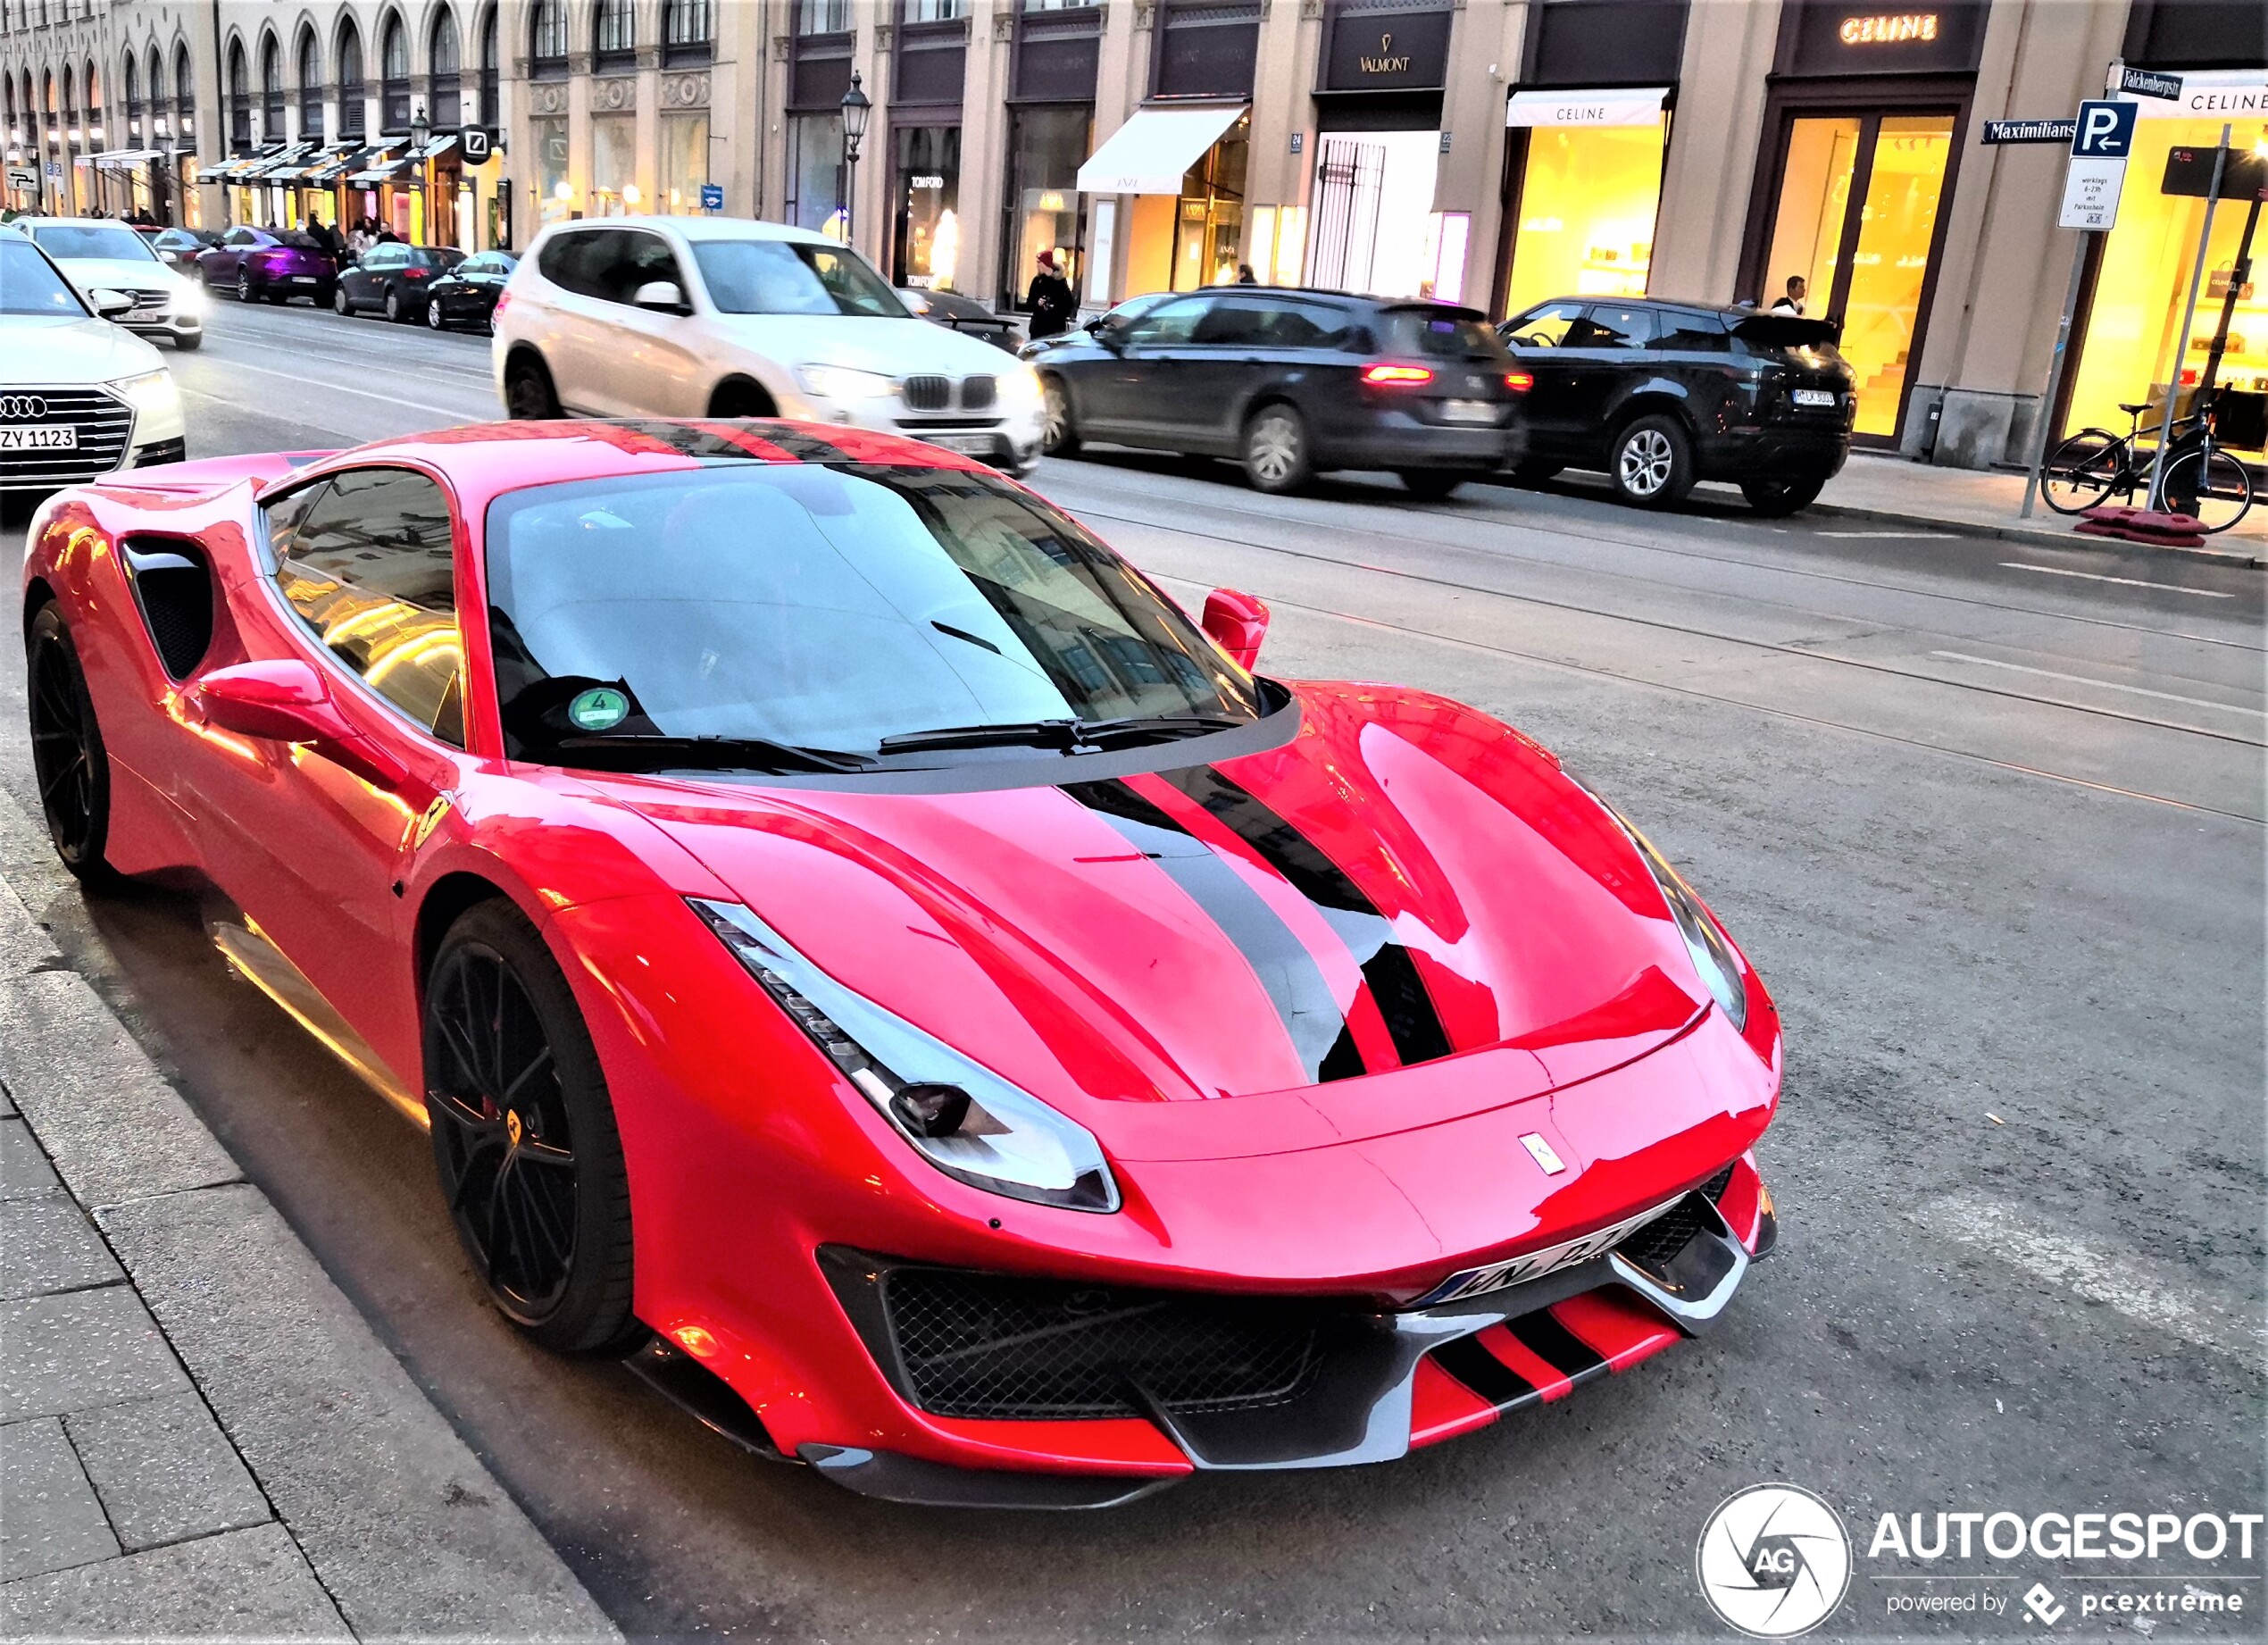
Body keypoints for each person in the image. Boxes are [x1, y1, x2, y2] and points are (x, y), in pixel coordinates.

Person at [1024, 249, 1076, 341]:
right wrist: (1037, 303)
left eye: (1039, 262)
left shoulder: (1060, 282)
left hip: (1055, 328)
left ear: (1045, 263)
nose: (1037, 264)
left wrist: (1056, 310)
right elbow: (1029, 303)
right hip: (1038, 328)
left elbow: (1069, 304)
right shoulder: (1037, 281)